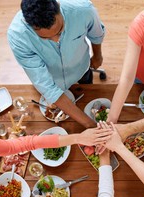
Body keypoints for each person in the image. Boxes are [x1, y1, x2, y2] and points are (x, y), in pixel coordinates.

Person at [8, 0, 105, 128]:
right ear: (29, 25)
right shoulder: (18, 36)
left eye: (60, 31)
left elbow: (96, 34)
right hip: (53, 78)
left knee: (88, 88)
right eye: (45, 38)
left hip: (81, 67)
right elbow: (48, 88)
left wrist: (97, 56)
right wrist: (89, 124)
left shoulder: (83, 10)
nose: (56, 39)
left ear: (58, 7)